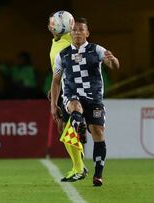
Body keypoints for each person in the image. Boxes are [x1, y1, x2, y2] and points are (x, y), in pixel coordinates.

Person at [50, 17, 120, 186]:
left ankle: (98, 175)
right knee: (75, 105)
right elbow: (56, 81)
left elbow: (114, 65)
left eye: (81, 29)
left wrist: (112, 59)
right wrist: (54, 104)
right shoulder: (63, 54)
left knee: (98, 132)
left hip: (94, 97)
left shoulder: (96, 50)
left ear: (87, 33)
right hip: (72, 95)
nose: (77, 32)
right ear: (70, 33)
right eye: (74, 30)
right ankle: (79, 127)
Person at [47, 11, 88, 182]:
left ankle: (79, 168)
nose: (49, 25)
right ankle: (79, 165)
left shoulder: (69, 41)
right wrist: (53, 89)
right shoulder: (56, 42)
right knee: (64, 130)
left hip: (74, 92)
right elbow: (58, 70)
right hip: (63, 90)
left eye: (52, 23)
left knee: (68, 132)